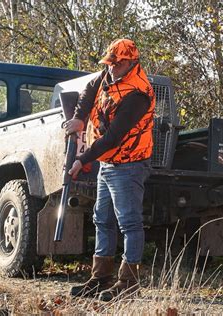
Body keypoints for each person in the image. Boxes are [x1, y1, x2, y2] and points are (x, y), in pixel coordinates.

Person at [64, 38, 155, 301]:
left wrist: (83, 158)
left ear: (129, 63)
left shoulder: (138, 94)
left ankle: (128, 283)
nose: (111, 69)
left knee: (129, 222)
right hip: (109, 162)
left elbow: (114, 136)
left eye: (116, 65)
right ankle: (101, 277)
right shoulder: (108, 75)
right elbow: (89, 90)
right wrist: (79, 119)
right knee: (102, 218)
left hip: (129, 163)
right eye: (110, 64)